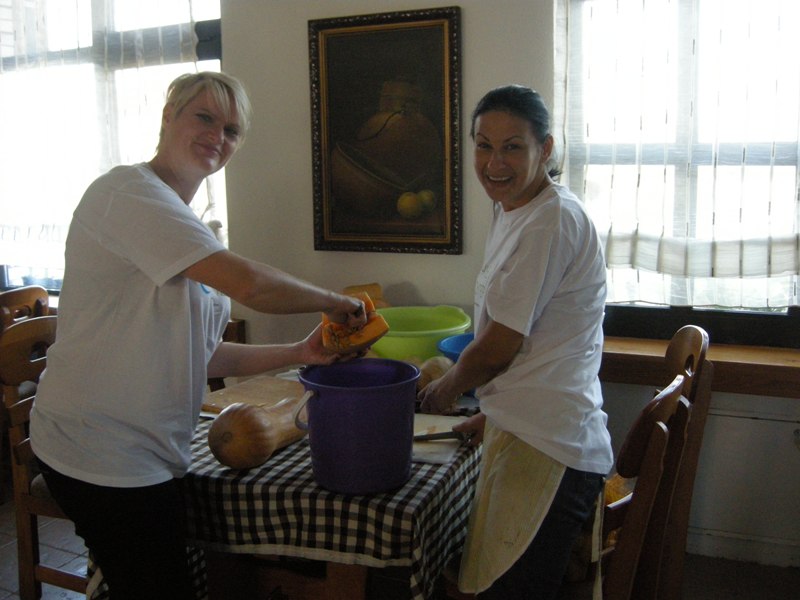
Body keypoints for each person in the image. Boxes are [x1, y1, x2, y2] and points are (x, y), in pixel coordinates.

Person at [29, 71, 367, 599]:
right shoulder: (127, 193)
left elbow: (199, 354)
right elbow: (251, 284)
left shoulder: (184, 223)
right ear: (169, 116)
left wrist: (300, 352)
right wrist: (338, 302)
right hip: (99, 449)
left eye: (231, 130)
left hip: (154, 448)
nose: (217, 136)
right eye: (204, 117)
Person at [418, 84, 613, 599]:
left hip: (552, 443)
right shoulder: (513, 209)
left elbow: (500, 345)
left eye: (512, 147)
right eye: (483, 145)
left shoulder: (550, 221)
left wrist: (444, 391)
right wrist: (493, 414)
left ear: (545, 149)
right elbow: (536, 340)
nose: (494, 163)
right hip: (531, 423)